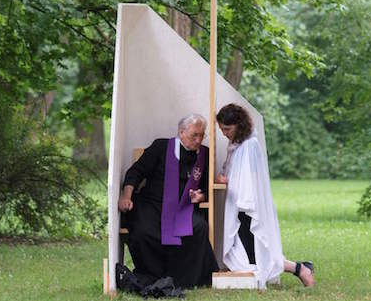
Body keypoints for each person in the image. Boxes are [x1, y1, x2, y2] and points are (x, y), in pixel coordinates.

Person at [215, 103, 315, 289]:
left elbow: (248, 179)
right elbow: (234, 172)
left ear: (239, 124)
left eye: (227, 129)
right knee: (251, 250)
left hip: (249, 205)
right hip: (240, 203)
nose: (224, 133)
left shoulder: (249, 145)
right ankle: (300, 268)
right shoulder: (236, 145)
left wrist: (227, 181)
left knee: (258, 249)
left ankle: (301, 269)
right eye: (222, 129)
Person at [118, 113, 219, 288]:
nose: (198, 139)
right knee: (143, 231)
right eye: (194, 135)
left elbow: (206, 188)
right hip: (153, 204)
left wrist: (200, 197)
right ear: (181, 132)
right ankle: (152, 276)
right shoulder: (161, 147)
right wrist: (126, 196)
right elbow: (136, 172)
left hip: (183, 208)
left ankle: (184, 280)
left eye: (202, 135)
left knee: (198, 228)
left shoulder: (205, 155)